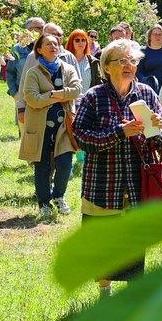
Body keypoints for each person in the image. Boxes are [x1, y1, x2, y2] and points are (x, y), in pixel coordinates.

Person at [72, 38, 162, 297]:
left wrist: (156, 127)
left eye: (133, 61)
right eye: (122, 61)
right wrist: (119, 133)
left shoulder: (147, 93)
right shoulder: (94, 97)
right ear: (107, 66)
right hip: (103, 184)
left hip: (138, 183)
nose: (129, 66)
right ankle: (105, 292)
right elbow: (81, 137)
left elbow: (161, 139)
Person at [20, 33, 82, 219]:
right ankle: (44, 203)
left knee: (64, 164)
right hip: (41, 127)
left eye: (56, 43)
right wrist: (58, 95)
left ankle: (59, 196)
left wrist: (49, 95)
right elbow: (32, 99)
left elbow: (77, 89)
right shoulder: (33, 72)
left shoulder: (68, 69)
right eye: (48, 44)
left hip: (64, 126)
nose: (53, 46)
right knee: (43, 167)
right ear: (39, 49)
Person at [16, 22, 79, 128]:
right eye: (53, 34)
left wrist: (76, 108)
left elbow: (77, 89)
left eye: (59, 35)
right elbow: (27, 90)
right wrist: (21, 108)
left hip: (65, 119)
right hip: (39, 119)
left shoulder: (69, 59)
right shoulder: (32, 59)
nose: (56, 38)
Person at [137, 24, 162, 91]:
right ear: (150, 36)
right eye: (155, 34)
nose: (157, 37)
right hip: (148, 89)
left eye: (160, 34)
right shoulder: (143, 51)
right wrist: (145, 80)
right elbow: (137, 71)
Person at [66, 29, 103, 100]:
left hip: (87, 104)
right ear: (71, 42)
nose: (81, 42)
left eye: (83, 40)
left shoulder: (93, 62)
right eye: (77, 40)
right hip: (68, 104)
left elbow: (99, 85)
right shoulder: (64, 60)